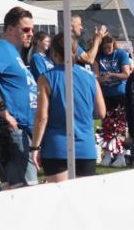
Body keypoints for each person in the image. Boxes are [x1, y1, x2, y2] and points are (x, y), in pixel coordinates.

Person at [0, 7, 39, 189]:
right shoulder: (3, 48)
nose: (31, 34)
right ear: (10, 29)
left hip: (17, 130)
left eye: (32, 30)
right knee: (26, 190)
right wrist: (2, 108)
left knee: (13, 189)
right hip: (11, 130)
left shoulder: (14, 53)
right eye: (26, 29)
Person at [31, 34, 106, 182]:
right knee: (82, 201)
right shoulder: (90, 77)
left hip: (56, 148)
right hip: (85, 147)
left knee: (60, 200)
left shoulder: (45, 78)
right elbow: (101, 112)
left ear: (53, 53)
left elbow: (42, 117)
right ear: (75, 50)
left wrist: (34, 147)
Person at [94, 35, 134, 111]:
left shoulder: (121, 54)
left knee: (121, 120)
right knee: (108, 120)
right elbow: (96, 78)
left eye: (109, 47)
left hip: (120, 93)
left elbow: (126, 74)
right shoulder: (98, 57)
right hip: (105, 94)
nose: (107, 50)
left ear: (113, 44)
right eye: (104, 48)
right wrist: (102, 79)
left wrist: (112, 75)